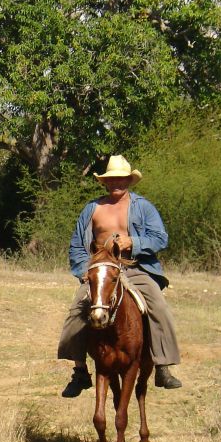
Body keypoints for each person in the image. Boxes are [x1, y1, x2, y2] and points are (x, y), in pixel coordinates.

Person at [57, 154, 182, 397]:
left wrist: (133, 242)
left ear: (129, 181)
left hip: (135, 268)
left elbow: (160, 238)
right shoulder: (92, 209)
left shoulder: (143, 206)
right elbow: (76, 245)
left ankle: (163, 366)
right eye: (112, 179)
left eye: (121, 179)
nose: (117, 183)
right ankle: (80, 371)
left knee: (158, 307)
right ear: (105, 182)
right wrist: (85, 271)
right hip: (100, 269)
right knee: (77, 312)